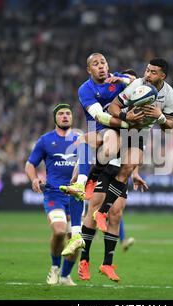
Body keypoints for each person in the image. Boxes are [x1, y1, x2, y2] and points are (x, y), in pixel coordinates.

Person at [93, 57, 173, 232]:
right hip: (121, 127)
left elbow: (169, 126)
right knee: (108, 154)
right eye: (147, 70)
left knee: (128, 168)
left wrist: (159, 116)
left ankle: (101, 213)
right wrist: (126, 117)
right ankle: (90, 178)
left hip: (139, 133)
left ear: (163, 75)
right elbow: (113, 107)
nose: (147, 74)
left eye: (153, 72)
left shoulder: (171, 96)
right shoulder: (136, 85)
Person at [60, 53, 142, 201]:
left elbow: (139, 84)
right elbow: (101, 117)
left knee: (92, 143)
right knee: (84, 142)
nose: (100, 66)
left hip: (123, 133)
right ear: (89, 70)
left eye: (103, 62)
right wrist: (126, 122)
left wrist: (123, 79)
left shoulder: (117, 79)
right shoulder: (85, 89)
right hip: (102, 129)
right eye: (95, 64)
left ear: (108, 65)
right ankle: (80, 185)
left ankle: (88, 179)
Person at [25, 104, 84, 286]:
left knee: (74, 239)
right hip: (54, 194)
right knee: (59, 231)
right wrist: (34, 179)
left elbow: (89, 165)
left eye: (68, 113)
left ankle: (66, 276)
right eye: (61, 114)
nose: (65, 116)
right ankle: (54, 269)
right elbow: (30, 164)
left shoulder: (81, 140)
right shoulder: (45, 140)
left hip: (75, 196)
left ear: (72, 118)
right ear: (55, 118)